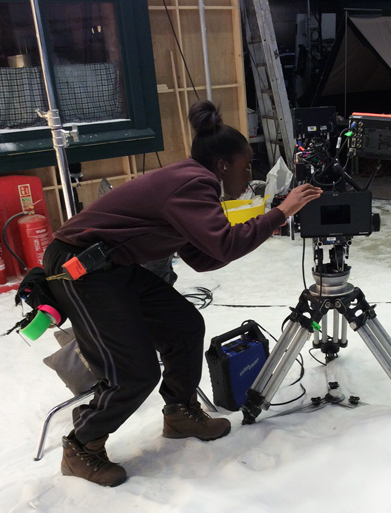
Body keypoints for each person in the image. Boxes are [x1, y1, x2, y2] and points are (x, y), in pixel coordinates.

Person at [43, 99, 322, 487]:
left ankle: (179, 411)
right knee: (134, 373)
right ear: (222, 165)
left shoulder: (194, 186)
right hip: (81, 269)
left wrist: (265, 219)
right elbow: (223, 245)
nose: (249, 175)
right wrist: (279, 214)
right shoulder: (194, 182)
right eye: (246, 167)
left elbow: (204, 258)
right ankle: (81, 444)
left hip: (113, 266)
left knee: (184, 324)